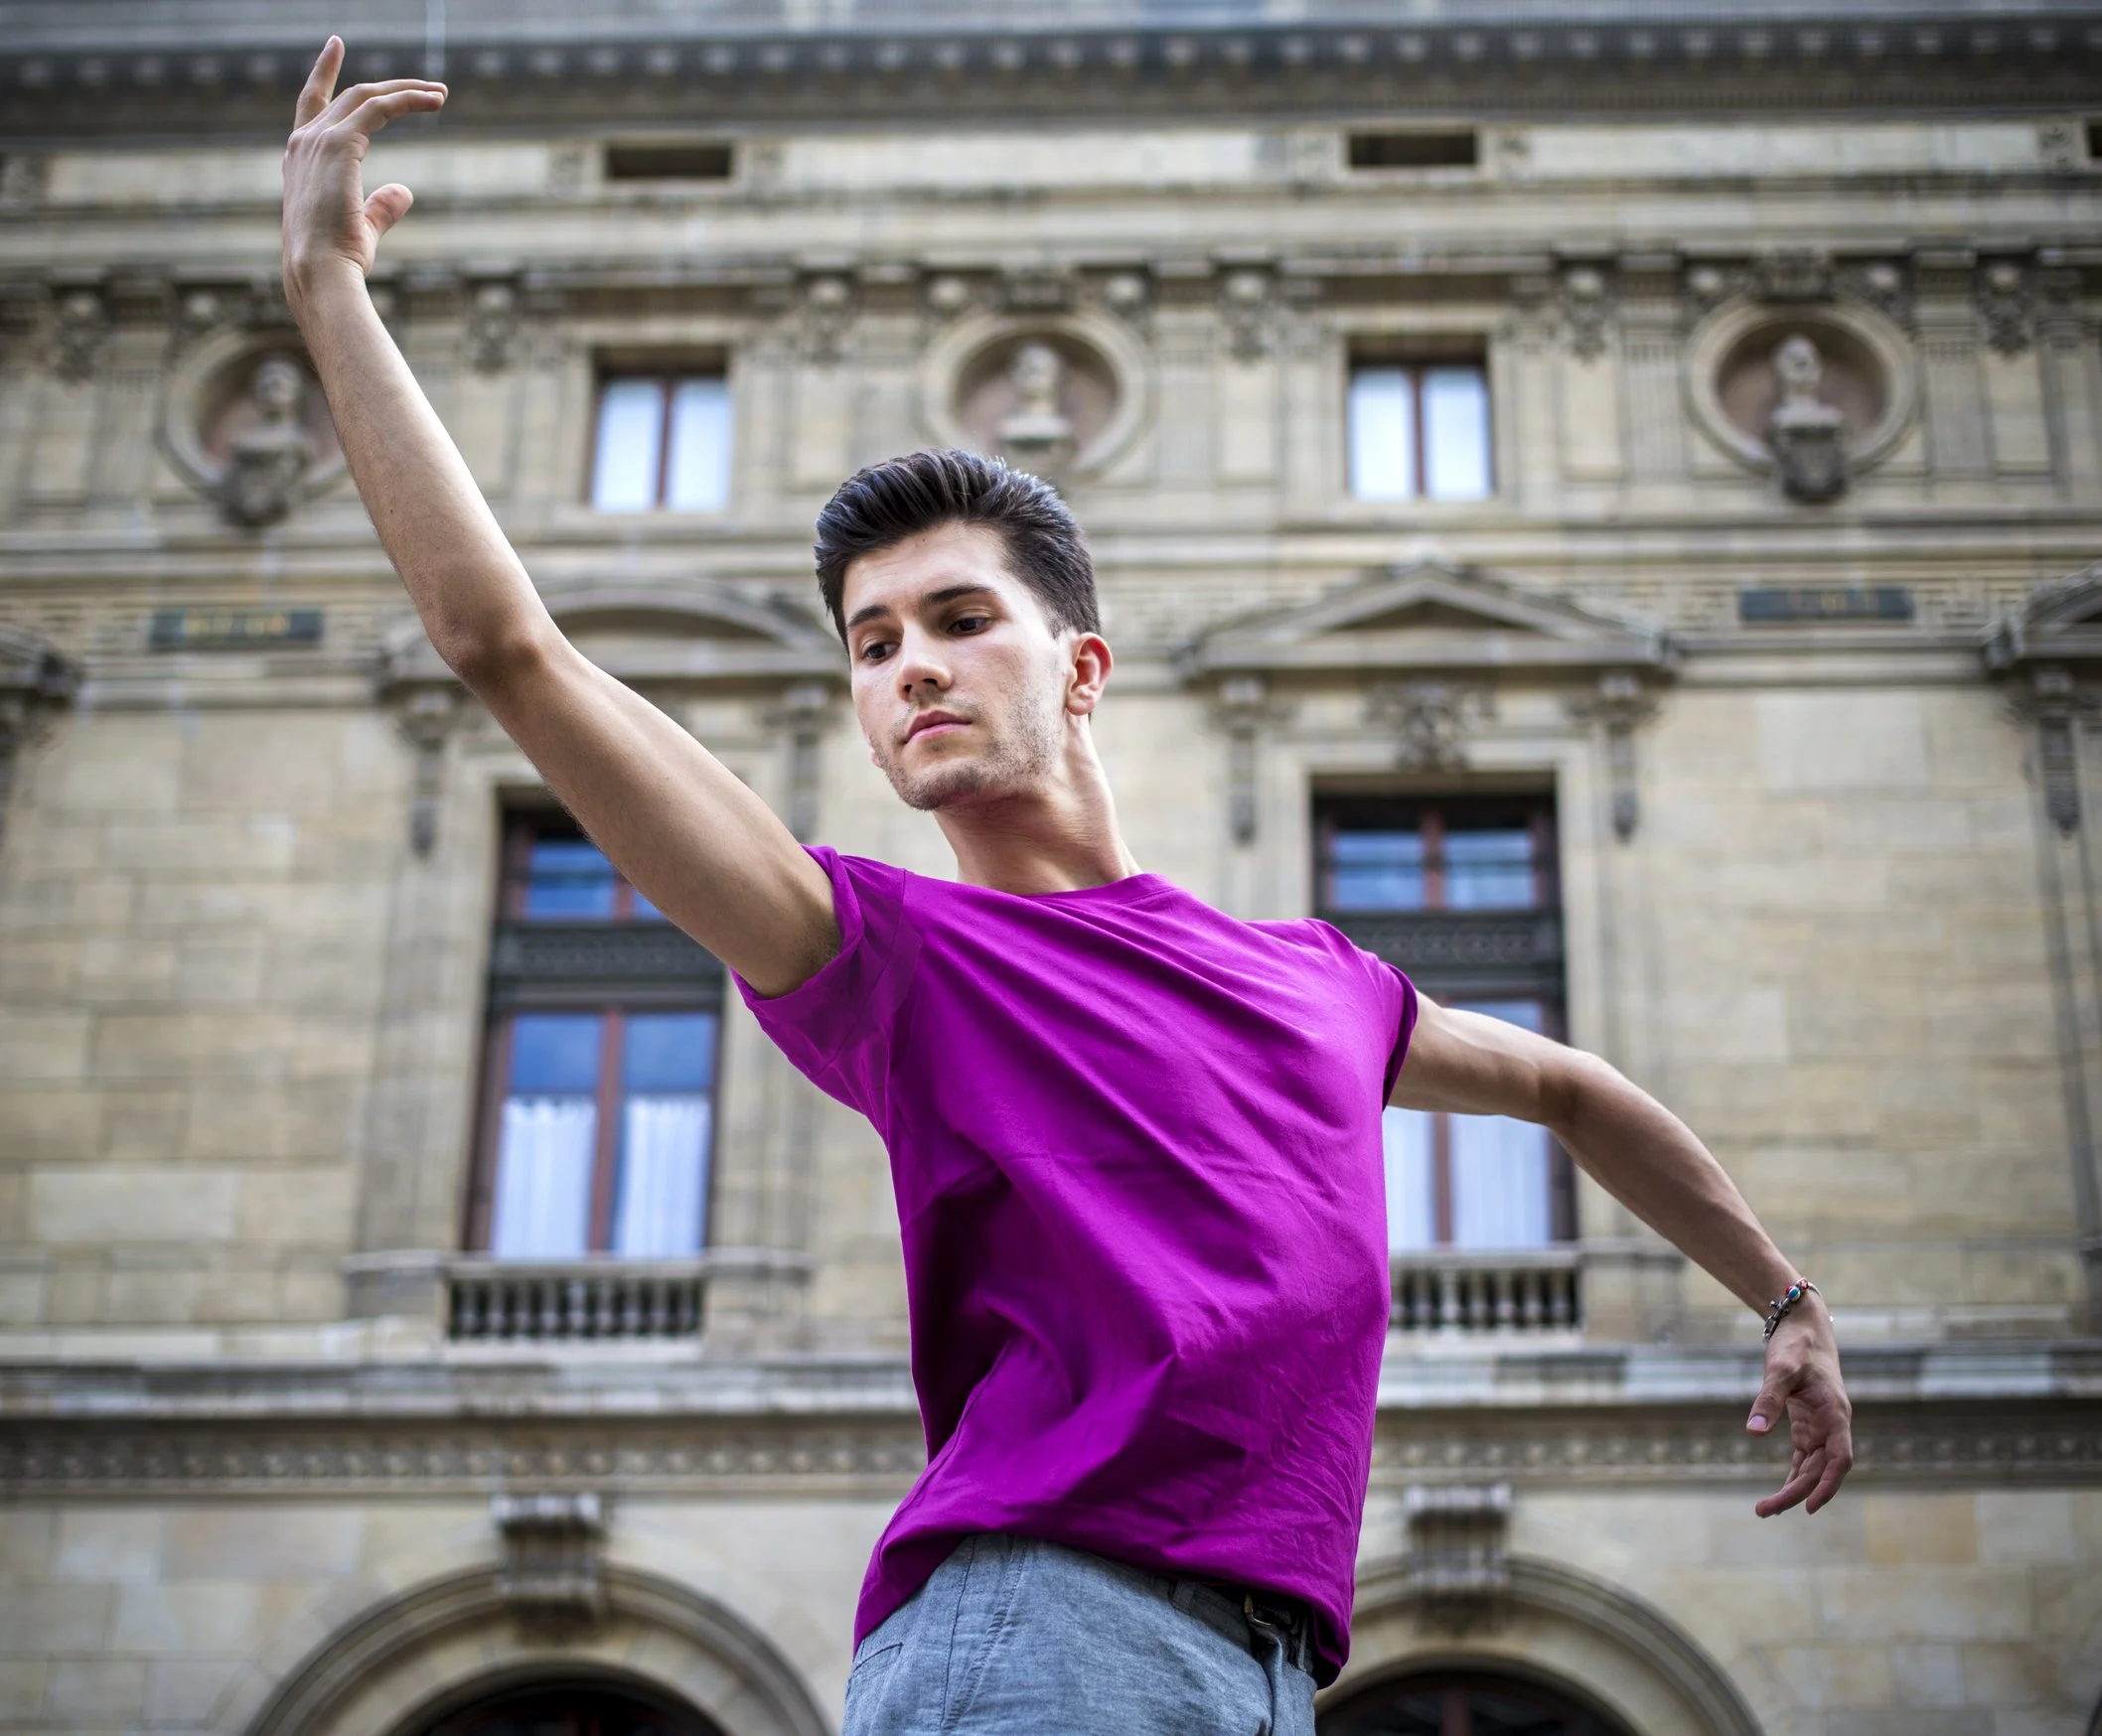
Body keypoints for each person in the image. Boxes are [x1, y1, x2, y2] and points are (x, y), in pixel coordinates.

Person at [278, 41, 1854, 1736]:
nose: (911, 671)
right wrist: (328, 290)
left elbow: (1568, 1086)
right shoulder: (886, 959)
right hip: (1041, 1633)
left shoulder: (1320, 981)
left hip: (1257, 1667)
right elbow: (506, 648)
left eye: (960, 621)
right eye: (872, 648)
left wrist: (1783, 1299)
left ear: (1081, 664)